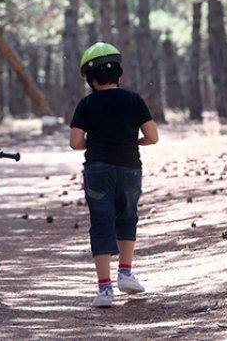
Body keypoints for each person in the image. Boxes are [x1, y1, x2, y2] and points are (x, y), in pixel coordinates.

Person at [68, 42, 160, 308]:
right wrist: (134, 142)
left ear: (91, 79)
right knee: (128, 216)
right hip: (130, 167)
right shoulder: (134, 100)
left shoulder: (86, 104)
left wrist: (95, 143)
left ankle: (104, 289)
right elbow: (153, 136)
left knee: (101, 222)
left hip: (98, 169)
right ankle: (126, 273)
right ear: (118, 75)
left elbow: (75, 142)